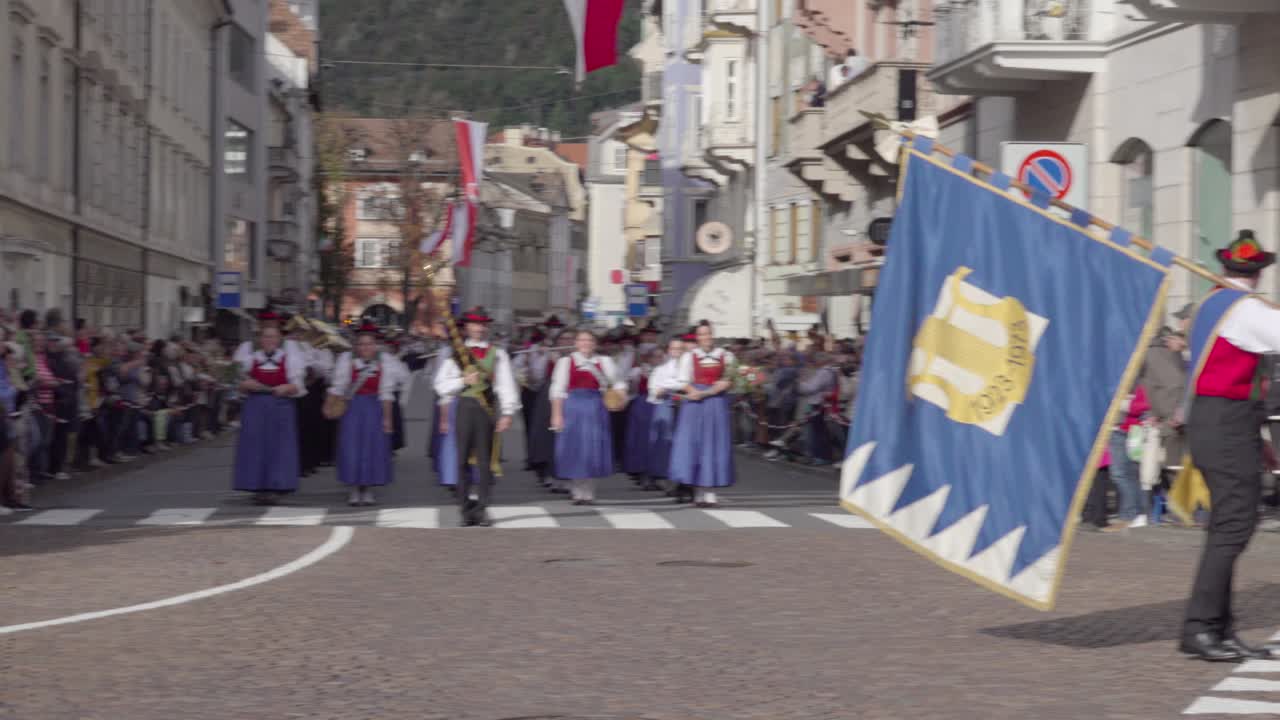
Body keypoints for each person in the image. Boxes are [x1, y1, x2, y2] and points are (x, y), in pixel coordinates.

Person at [1180, 231, 1280, 662]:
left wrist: (1257, 440)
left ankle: (1218, 628)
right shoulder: (1246, 310)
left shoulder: (1211, 303)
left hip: (1222, 419)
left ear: (1227, 266)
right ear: (1258, 273)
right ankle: (1202, 628)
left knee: (1232, 523)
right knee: (1234, 525)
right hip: (1225, 421)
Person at [434, 308, 520, 527]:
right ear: (467, 327)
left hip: (486, 410)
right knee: (461, 460)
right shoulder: (457, 354)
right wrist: (463, 381)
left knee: (485, 461)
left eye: (482, 324)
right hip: (464, 407)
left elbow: (505, 384)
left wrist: (508, 412)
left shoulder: (497, 353)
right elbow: (440, 385)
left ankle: (482, 508)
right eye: (474, 324)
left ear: (486, 327)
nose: (479, 328)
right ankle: (464, 508)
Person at [231, 312, 306, 505]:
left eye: (273, 334)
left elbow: (298, 384)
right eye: (265, 333)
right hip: (255, 405)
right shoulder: (248, 350)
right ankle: (257, 486)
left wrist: (286, 388)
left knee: (279, 447)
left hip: (281, 406)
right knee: (255, 446)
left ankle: (277, 485)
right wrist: (245, 384)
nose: (269, 338)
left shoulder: (290, 352)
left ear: (279, 334)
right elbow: (234, 379)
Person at [550, 329, 626, 505]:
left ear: (595, 343)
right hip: (573, 408)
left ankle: (589, 491)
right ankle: (577, 490)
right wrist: (556, 414)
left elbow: (619, 381)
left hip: (595, 408)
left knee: (593, 447)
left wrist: (620, 396)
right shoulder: (566, 362)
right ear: (576, 343)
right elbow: (557, 390)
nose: (585, 343)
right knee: (575, 448)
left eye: (589, 340)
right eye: (581, 340)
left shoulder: (604, 361)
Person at [329, 322, 400, 506]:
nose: (365, 347)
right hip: (352, 409)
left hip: (374, 409)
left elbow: (386, 393)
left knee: (372, 449)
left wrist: (387, 419)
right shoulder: (346, 360)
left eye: (369, 344)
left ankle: (367, 489)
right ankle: (353, 488)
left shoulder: (385, 361)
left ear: (375, 345)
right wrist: (329, 405)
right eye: (361, 344)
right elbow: (338, 387)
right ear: (356, 346)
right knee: (351, 448)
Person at [669, 321, 737, 507]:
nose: (705, 337)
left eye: (708, 333)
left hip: (715, 402)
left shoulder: (726, 355)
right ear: (697, 338)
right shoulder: (689, 356)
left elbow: (729, 380)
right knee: (696, 445)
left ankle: (710, 492)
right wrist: (693, 391)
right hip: (695, 404)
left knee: (714, 444)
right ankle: (698, 491)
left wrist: (712, 390)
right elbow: (683, 380)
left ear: (712, 334)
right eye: (701, 334)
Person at [647, 338, 686, 495]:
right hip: (665, 405)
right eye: (674, 349)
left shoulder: (688, 369)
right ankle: (667, 479)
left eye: (680, 349)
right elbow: (652, 392)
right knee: (666, 444)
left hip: (684, 405)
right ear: (669, 351)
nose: (677, 352)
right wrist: (660, 391)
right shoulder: (661, 370)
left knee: (682, 444)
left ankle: (681, 480)